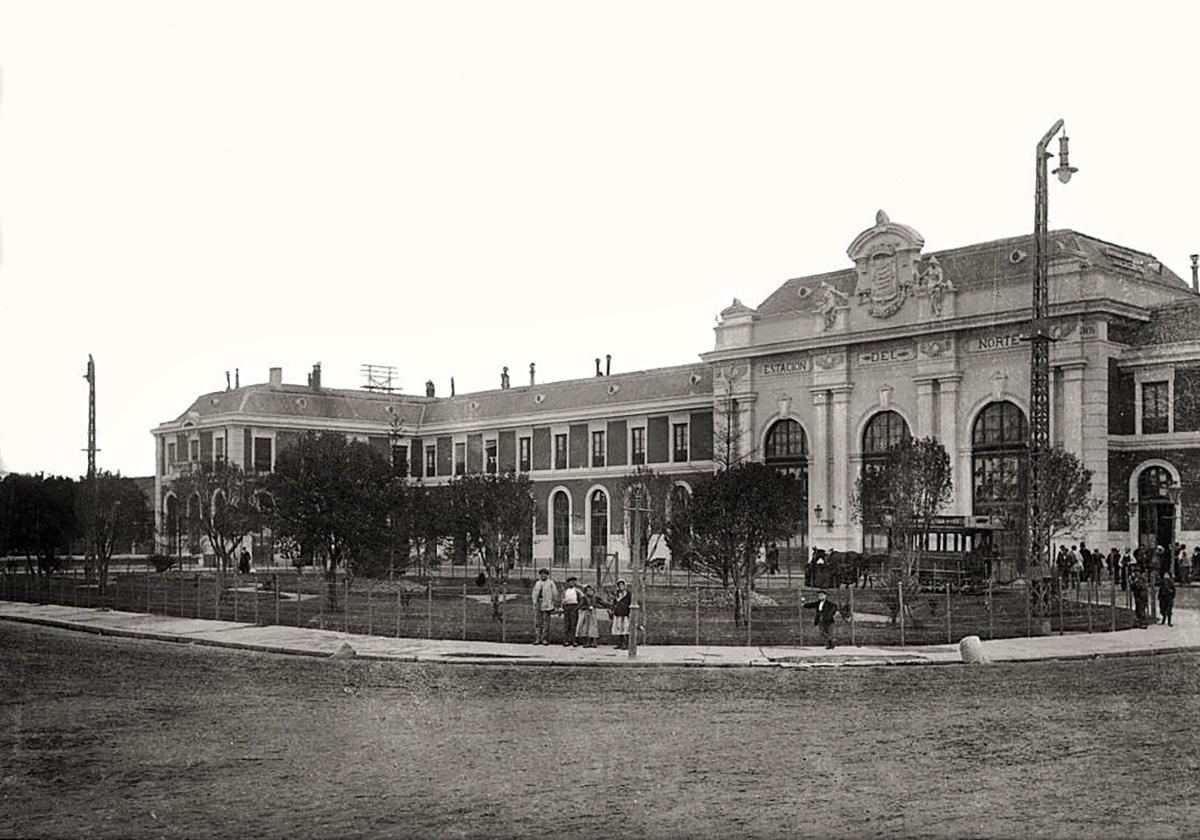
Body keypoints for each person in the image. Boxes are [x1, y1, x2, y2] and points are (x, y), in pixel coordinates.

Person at [531, 568, 558, 645]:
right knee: (537, 622)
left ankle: (544, 638)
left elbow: (555, 593)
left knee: (546, 622)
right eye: (541, 574)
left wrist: (554, 603)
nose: (543, 576)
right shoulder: (538, 583)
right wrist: (535, 602)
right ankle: (538, 638)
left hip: (547, 604)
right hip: (538, 604)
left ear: (547, 575)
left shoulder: (550, 583)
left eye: (544, 574)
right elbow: (534, 593)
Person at [608, 579, 632, 649]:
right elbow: (614, 602)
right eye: (619, 585)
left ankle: (626, 644)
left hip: (625, 613)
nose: (621, 587)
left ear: (625, 586)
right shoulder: (617, 594)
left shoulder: (628, 594)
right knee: (619, 628)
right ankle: (620, 644)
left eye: (622, 585)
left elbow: (630, 602)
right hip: (618, 613)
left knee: (626, 628)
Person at [575, 584, 600, 648]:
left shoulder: (595, 598)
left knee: (593, 627)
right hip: (586, 614)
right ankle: (586, 641)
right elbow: (580, 605)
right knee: (585, 627)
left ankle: (593, 641)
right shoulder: (584, 598)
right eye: (588, 591)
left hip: (592, 614)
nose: (589, 592)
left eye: (591, 590)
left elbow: (602, 602)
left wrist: (610, 606)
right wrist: (586, 607)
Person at [561, 576, 581, 647]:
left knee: (573, 624)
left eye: (573, 581)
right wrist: (563, 607)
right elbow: (563, 599)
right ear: (568, 583)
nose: (572, 583)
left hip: (574, 607)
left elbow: (582, 598)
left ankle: (574, 640)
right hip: (567, 608)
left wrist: (578, 607)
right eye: (570, 581)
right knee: (567, 624)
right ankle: (566, 640)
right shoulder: (565, 591)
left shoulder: (577, 591)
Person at [1130, 561, 1150, 629]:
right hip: (1138, 596)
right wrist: (1132, 582)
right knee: (1138, 609)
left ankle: (1143, 623)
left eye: (1136, 571)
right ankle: (1139, 622)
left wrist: (1134, 583)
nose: (1135, 573)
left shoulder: (1141, 578)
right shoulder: (1135, 578)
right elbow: (1132, 588)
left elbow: (1140, 587)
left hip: (1142, 596)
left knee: (1141, 609)